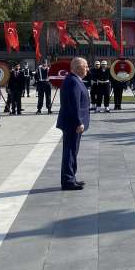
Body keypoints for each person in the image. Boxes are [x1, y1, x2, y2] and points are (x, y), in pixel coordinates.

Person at [56, 57, 90, 191]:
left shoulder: (74, 79)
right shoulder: (73, 82)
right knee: (69, 152)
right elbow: (73, 105)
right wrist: (78, 122)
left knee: (72, 151)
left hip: (73, 123)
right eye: (85, 66)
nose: (87, 68)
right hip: (73, 124)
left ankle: (71, 177)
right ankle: (68, 180)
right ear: (77, 68)